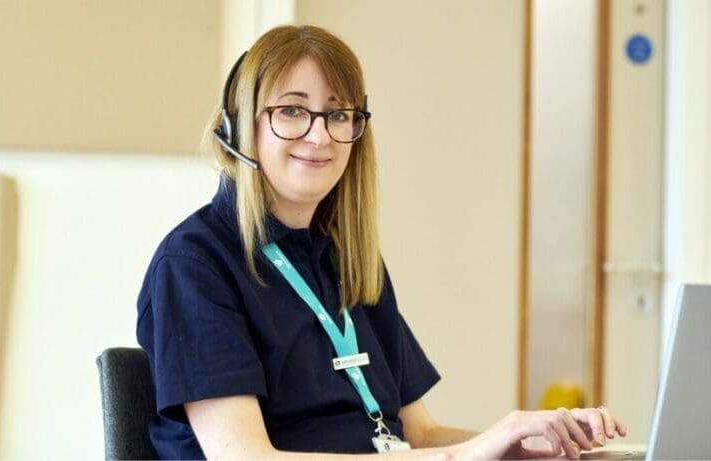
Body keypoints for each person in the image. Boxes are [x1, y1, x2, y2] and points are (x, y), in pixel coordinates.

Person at [136, 24, 627, 460]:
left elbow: (418, 432)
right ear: (239, 127)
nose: (319, 136)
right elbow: (245, 458)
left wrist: (520, 443)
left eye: (338, 115)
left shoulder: (345, 260)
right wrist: (464, 457)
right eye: (291, 111)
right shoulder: (194, 264)